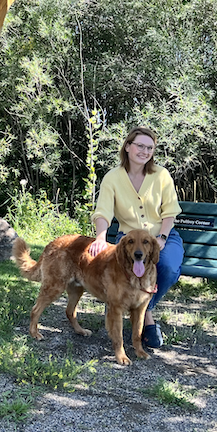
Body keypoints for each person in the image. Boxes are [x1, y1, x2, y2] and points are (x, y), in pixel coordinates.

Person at [88, 126, 184, 348]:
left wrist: (161, 237)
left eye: (150, 147)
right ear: (128, 146)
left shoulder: (161, 175)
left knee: (167, 267)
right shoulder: (112, 177)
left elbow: (170, 212)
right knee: (123, 270)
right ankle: (128, 312)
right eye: (140, 145)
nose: (145, 151)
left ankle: (144, 310)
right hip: (128, 239)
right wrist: (101, 238)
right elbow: (102, 211)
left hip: (162, 235)